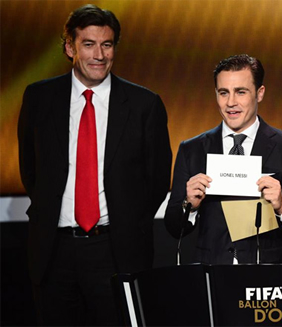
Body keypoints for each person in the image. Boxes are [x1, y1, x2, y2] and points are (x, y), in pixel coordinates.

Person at [17, 4, 172, 326]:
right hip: (53, 251)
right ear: (69, 47)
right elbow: (31, 171)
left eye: (107, 44)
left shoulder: (145, 104)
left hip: (117, 250)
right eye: (89, 44)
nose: (99, 54)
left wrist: (128, 223)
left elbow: (157, 179)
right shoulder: (39, 98)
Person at [164, 54, 282, 264]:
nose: (231, 103)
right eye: (223, 93)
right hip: (213, 273)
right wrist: (189, 205)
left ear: (259, 93)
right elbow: (173, 227)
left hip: (268, 275)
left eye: (241, 92)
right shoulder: (192, 149)